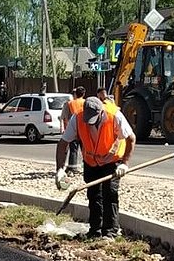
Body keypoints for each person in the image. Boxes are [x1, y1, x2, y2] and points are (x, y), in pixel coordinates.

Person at [55, 96, 136, 239]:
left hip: (112, 160)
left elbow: (131, 138)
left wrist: (125, 163)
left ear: (101, 112)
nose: (90, 122)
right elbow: (63, 144)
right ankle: (95, 230)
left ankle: (110, 232)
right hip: (91, 162)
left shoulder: (114, 115)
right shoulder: (78, 118)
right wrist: (60, 169)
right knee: (93, 195)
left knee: (109, 194)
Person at [60, 87, 86, 172]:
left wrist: (64, 128)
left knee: (73, 149)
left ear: (75, 94)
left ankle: (72, 167)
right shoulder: (86, 103)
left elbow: (65, 117)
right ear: (83, 94)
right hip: (84, 130)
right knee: (85, 150)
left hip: (74, 130)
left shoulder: (70, 104)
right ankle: (87, 166)